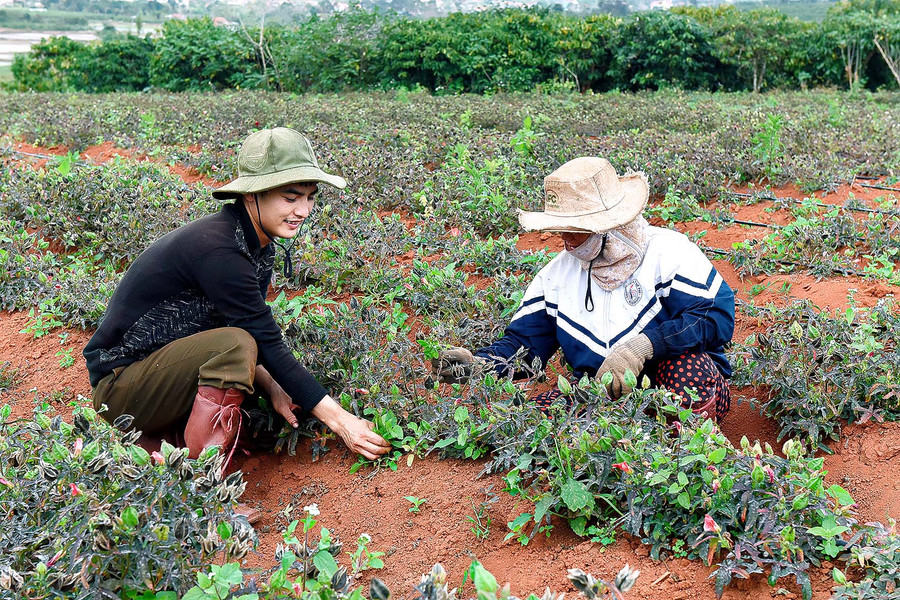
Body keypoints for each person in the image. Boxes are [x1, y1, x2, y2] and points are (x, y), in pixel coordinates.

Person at [84, 128, 391, 520]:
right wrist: (341, 420)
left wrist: (274, 386)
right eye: (290, 197)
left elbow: (246, 327)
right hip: (122, 388)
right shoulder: (219, 248)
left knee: (250, 382)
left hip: (157, 376)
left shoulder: (253, 240)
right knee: (235, 347)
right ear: (251, 194)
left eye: (310, 198)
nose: (303, 210)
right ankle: (200, 495)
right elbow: (257, 338)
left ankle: (161, 446)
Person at [430, 157, 735, 422]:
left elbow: (715, 316)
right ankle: (617, 441)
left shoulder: (667, 251)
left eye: (576, 228)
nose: (564, 238)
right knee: (532, 418)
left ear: (608, 224)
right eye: (561, 226)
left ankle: (673, 447)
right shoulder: (556, 277)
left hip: (668, 379)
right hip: (599, 398)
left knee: (688, 378)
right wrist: (482, 365)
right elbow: (525, 344)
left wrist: (643, 347)